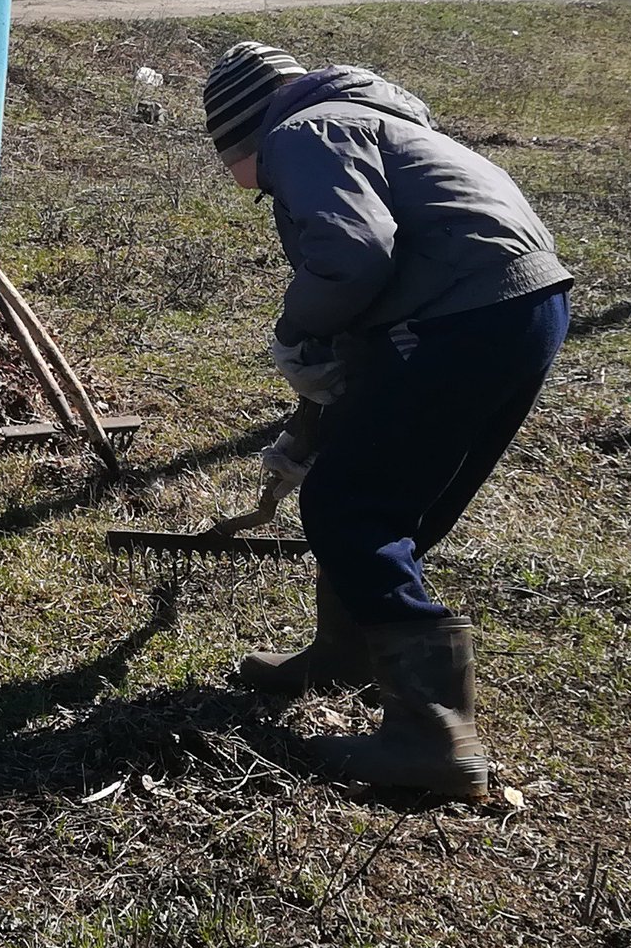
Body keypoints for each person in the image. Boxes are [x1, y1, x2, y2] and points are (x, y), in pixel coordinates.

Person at [204, 41, 572, 798]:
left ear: (241, 133)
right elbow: (405, 254)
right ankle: (351, 656)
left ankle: (431, 738)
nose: (250, 189)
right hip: (523, 306)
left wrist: (297, 333)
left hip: (461, 315)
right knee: (394, 500)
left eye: (235, 170)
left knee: (348, 505)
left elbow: (352, 250)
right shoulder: (379, 121)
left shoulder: (302, 132)